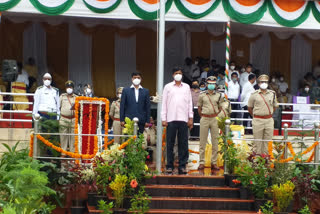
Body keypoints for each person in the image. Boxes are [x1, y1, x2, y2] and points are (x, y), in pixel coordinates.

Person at [161, 67, 193, 175]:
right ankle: (169, 166)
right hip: (171, 119)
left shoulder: (187, 87)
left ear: (182, 75)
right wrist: (163, 118)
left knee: (183, 143)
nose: (178, 75)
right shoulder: (168, 87)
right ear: (173, 75)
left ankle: (182, 165)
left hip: (183, 119)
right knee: (170, 143)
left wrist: (190, 118)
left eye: (180, 73)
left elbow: (189, 103)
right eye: (176, 73)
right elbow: (164, 103)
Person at [197, 76, 223, 171]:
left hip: (214, 119)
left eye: (213, 83)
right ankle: (201, 162)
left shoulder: (219, 95)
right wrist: (203, 115)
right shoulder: (202, 95)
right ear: (207, 84)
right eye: (209, 83)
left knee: (215, 141)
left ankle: (214, 162)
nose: (211, 85)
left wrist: (216, 114)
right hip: (204, 118)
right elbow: (199, 107)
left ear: (215, 84)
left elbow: (220, 107)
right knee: (202, 141)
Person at [248, 74, 278, 154]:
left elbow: (275, 106)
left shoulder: (272, 94)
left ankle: (266, 160)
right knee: (257, 141)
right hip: (258, 120)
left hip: (269, 120)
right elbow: (249, 108)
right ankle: (257, 160)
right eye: (262, 82)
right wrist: (256, 116)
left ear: (268, 83)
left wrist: (268, 113)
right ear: (258, 83)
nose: (264, 83)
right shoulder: (254, 94)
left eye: (265, 82)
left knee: (268, 141)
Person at [59, 80, 77, 153]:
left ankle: (72, 153)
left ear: (73, 88)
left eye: (70, 87)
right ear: (66, 88)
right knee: (63, 136)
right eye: (68, 87)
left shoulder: (76, 97)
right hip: (64, 119)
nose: (69, 89)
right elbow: (58, 107)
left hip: (73, 119)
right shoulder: (62, 96)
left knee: (73, 137)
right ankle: (63, 152)